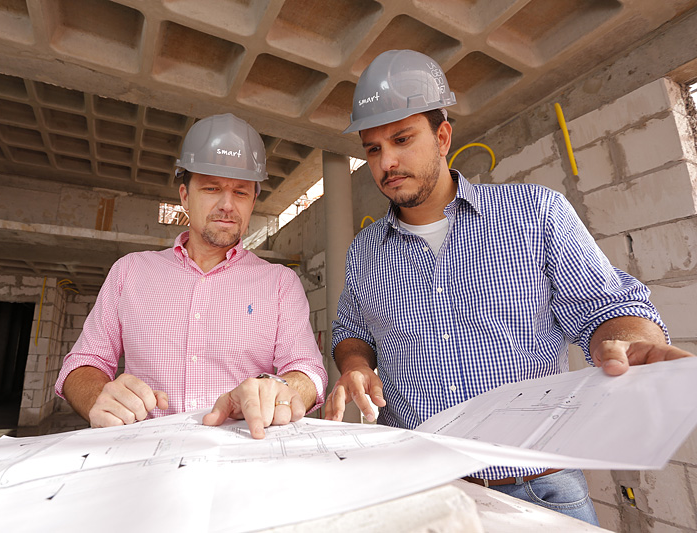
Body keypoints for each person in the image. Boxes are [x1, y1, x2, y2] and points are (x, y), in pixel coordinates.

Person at [324, 49, 694, 524]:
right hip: (419, 487)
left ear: (442, 137)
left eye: (401, 139)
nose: (387, 162)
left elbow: (606, 308)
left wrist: (628, 341)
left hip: (536, 488)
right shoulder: (364, 251)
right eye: (373, 149)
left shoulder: (537, 213)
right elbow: (352, 331)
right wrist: (355, 367)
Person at [55, 113, 327, 439]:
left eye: (241, 192)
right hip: (143, 454)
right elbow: (83, 363)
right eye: (212, 188)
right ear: (185, 196)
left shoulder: (279, 283)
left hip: (241, 451)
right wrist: (98, 396)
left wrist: (280, 386)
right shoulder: (129, 272)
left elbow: (307, 369)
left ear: (254, 200)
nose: (227, 205)